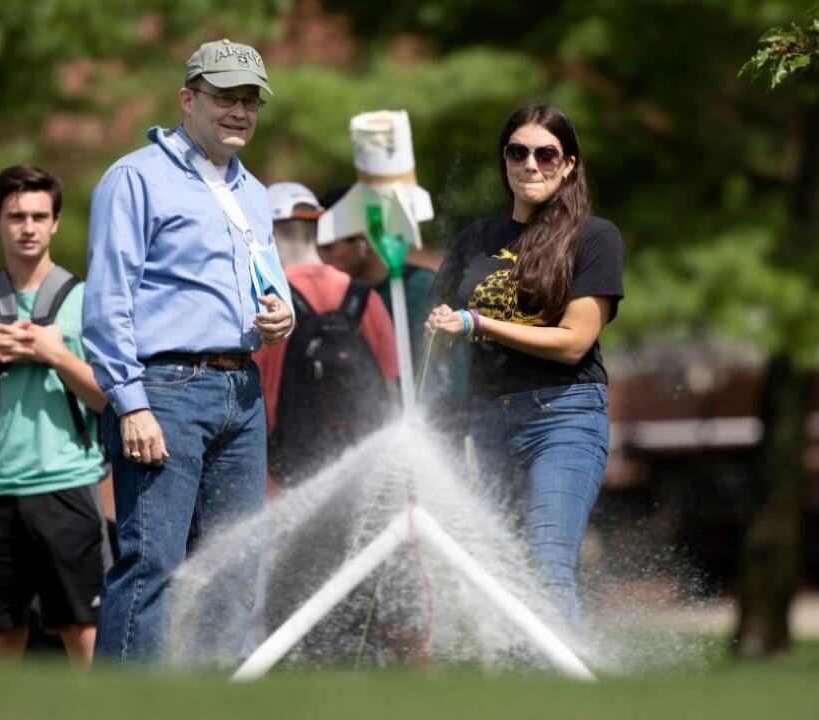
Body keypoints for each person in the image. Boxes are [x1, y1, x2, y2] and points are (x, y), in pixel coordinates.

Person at [83, 38, 293, 664]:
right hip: (164, 390)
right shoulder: (134, 177)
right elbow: (106, 306)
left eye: (250, 99)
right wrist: (131, 404)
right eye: (225, 96)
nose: (240, 111)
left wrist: (281, 315)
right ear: (187, 99)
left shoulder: (254, 191)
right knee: (153, 566)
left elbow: (271, 285)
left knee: (235, 566)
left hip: (242, 390)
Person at [427, 103, 625, 622]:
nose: (530, 164)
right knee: (503, 570)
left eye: (546, 153)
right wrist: (442, 330)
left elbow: (574, 342)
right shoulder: (475, 240)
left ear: (569, 164)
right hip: (488, 418)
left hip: (562, 415)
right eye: (518, 152)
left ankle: (561, 694)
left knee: (544, 567)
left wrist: (478, 324)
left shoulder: (594, 238)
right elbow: (446, 333)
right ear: (505, 161)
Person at [0, 165, 108, 665]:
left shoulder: (86, 301)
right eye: (16, 217)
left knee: (84, 632)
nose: (28, 227)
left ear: (56, 223)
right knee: (2, 638)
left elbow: (108, 398)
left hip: (67, 483)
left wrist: (54, 353)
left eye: (39, 216)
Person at [256, 181, 400, 488]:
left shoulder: (265, 301)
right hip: (360, 469)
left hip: (282, 475)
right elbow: (389, 385)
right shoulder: (363, 297)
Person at [319, 187, 470, 432]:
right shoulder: (339, 297)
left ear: (362, 241)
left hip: (431, 429)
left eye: (328, 247)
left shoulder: (419, 289)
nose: (320, 257)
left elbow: (446, 377)